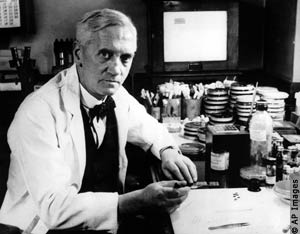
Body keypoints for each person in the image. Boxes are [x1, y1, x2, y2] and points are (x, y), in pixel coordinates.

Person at [0, 8, 197, 234]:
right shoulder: (37, 111)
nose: (116, 69)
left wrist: (168, 151)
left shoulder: (114, 92)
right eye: (105, 54)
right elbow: (53, 209)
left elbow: (148, 126)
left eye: (125, 58)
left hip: (100, 225)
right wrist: (137, 200)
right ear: (78, 54)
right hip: (39, 228)